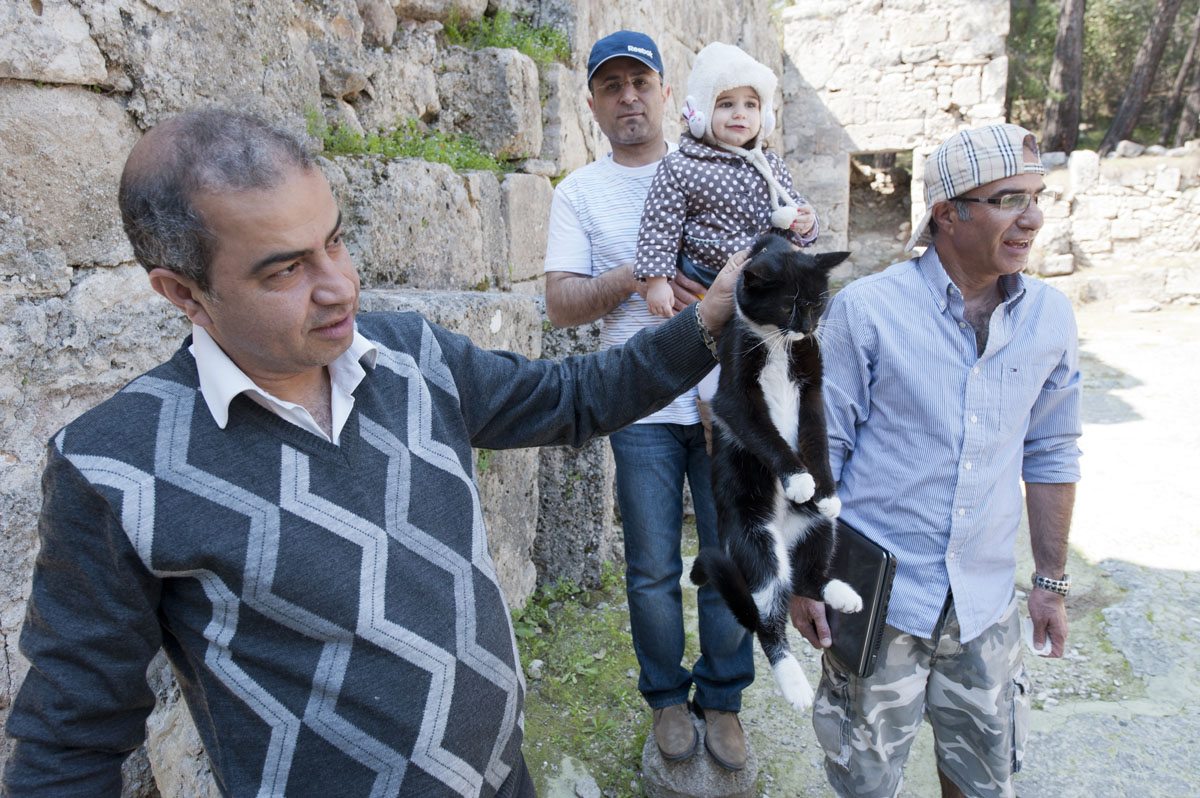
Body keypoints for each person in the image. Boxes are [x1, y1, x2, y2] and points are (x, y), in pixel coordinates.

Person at [3, 107, 747, 797]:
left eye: (334, 239)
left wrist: (708, 322)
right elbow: (70, 742)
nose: (340, 287)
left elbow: (573, 397)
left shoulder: (411, 353)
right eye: (285, 269)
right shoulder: (113, 469)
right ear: (182, 293)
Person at [789, 123, 1082, 798]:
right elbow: (820, 445)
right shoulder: (868, 312)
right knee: (865, 783)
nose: (1033, 218)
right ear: (948, 214)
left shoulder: (1050, 319)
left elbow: (1051, 450)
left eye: (1037, 197)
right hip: (876, 600)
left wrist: (1051, 581)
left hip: (984, 605)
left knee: (980, 782)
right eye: (1010, 199)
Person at [542, 32, 755, 772]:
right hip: (639, 411)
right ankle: (666, 698)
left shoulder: (722, 165)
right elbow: (562, 305)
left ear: (667, 93)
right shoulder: (579, 193)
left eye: (642, 82)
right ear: (594, 103)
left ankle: (723, 699)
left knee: (732, 558)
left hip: (727, 402)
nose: (628, 96)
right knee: (652, 568)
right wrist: (639, 273)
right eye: (612, 86)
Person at [634, 41, 818, 320]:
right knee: (712, 345)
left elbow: (789, 204)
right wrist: (657, 282)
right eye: (726, 104)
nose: (740, 113)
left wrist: (805, 223)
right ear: (702, 113)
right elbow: (660, 225)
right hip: (706, 281)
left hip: (767, 280)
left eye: (751, 105)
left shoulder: (771, 165)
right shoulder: (682, 165)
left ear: (764, 116)